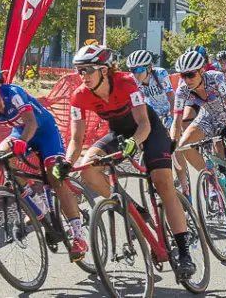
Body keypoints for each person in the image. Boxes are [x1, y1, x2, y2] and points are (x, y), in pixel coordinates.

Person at [65, 45, 195, 278]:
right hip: (118, 133)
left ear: (104, 71)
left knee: (162, 183)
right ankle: (132, 208)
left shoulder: (126, 82)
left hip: (148, 130)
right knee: (88, 170)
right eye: (79, 71)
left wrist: (135, 142)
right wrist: (66, 163)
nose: (82, 76)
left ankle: (184, 253)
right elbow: (76, 138)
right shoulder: (79, 95)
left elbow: (144, 123)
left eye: (87, 70)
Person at [0, 62, 88, 261]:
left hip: (44, 132)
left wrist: (22, 142)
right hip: (20, 133)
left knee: (55, 177)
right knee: (1, 156)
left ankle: (78, 236)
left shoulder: (13, 93)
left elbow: (31, 122)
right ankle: (36, 202)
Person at [169, 51, 226, 236]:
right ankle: (212, 177)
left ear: (202, 70)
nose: (186, 79)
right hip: (206, 119)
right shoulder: (182, 89)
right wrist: (172, 140)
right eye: (183, 75)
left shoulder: (216, 78)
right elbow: (176, 121)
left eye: (190, 74)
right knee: (183, 144)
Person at [127, 50, 174, 128]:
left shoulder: (160, 74)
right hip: (152, 116)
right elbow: (136, 104)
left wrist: (172, 113)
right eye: (133, 70)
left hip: (168, 112)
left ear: (149, 68)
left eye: (139, 70)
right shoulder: (132, 80)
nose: (136, 74)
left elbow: (170, 96)